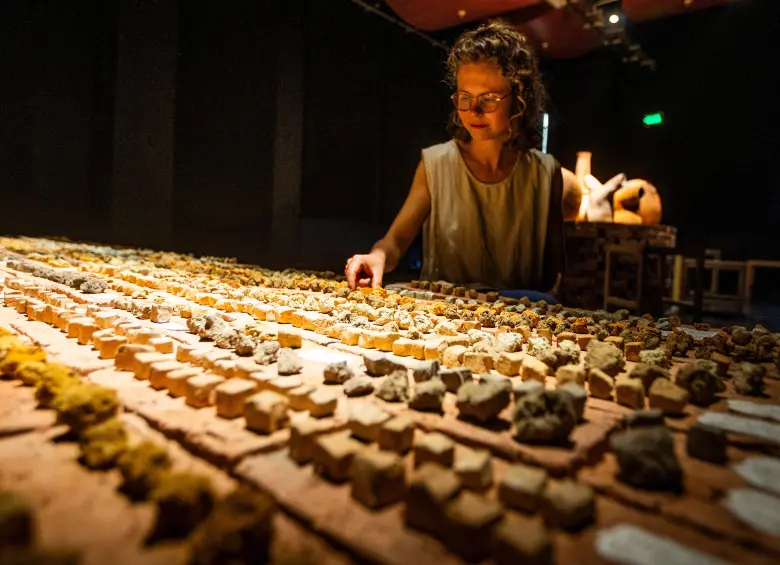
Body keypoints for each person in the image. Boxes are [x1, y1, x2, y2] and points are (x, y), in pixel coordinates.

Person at [345, 21, 583, 300]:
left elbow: (555, 269)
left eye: (489, 99)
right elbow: (396, 241)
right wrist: (377, 256)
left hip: (519, 321)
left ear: (519, 99)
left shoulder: (547, 173)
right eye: (464, 98)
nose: (473, 111)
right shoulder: (435, 164)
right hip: (442, 318)